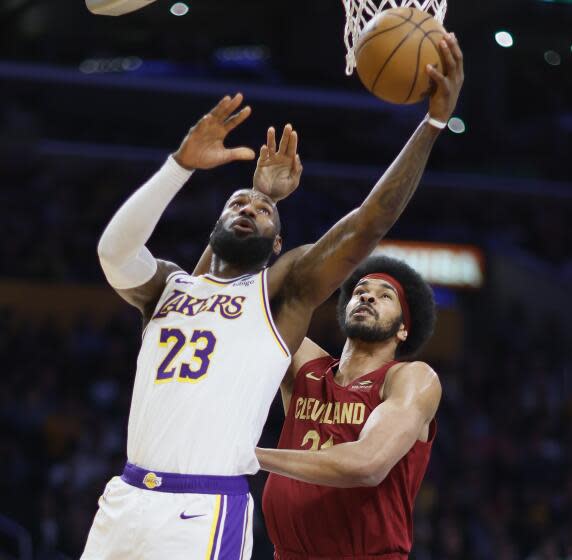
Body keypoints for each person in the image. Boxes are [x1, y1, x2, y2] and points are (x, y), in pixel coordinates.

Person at [81, 31, 463, 560]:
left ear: (279, 244)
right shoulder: (169, 289)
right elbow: (114, 253)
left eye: (261, 212)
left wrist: (431, 125)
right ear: (214, 222)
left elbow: (367, 223)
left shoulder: (278, 302)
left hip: (202, 508)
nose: (247, 209)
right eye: (235, 204)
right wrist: (181, 167)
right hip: (124, 497)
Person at [259, 255, 439, 559]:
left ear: (403, 329)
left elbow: (367, 464)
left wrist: (249, 456)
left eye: (385, 296)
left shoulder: (411, 377)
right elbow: (264, 305)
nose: (368, 296)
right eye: (359, 291)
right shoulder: (306, 366)